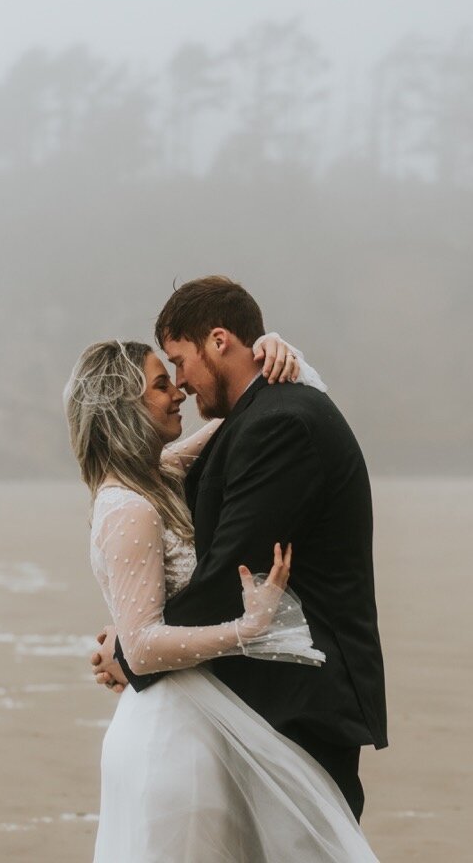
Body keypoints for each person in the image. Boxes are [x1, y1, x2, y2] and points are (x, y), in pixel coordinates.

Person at [69, 276, 385, 860]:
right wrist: (135, 644)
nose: (180, 386)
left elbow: (222, 576)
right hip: (232, 705)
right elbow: (210, 577)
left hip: (300, 694)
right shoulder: (219, 442)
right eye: (163, 378)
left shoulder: (274, 422)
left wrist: (130, 654)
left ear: (219, 342)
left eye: (178, 364)